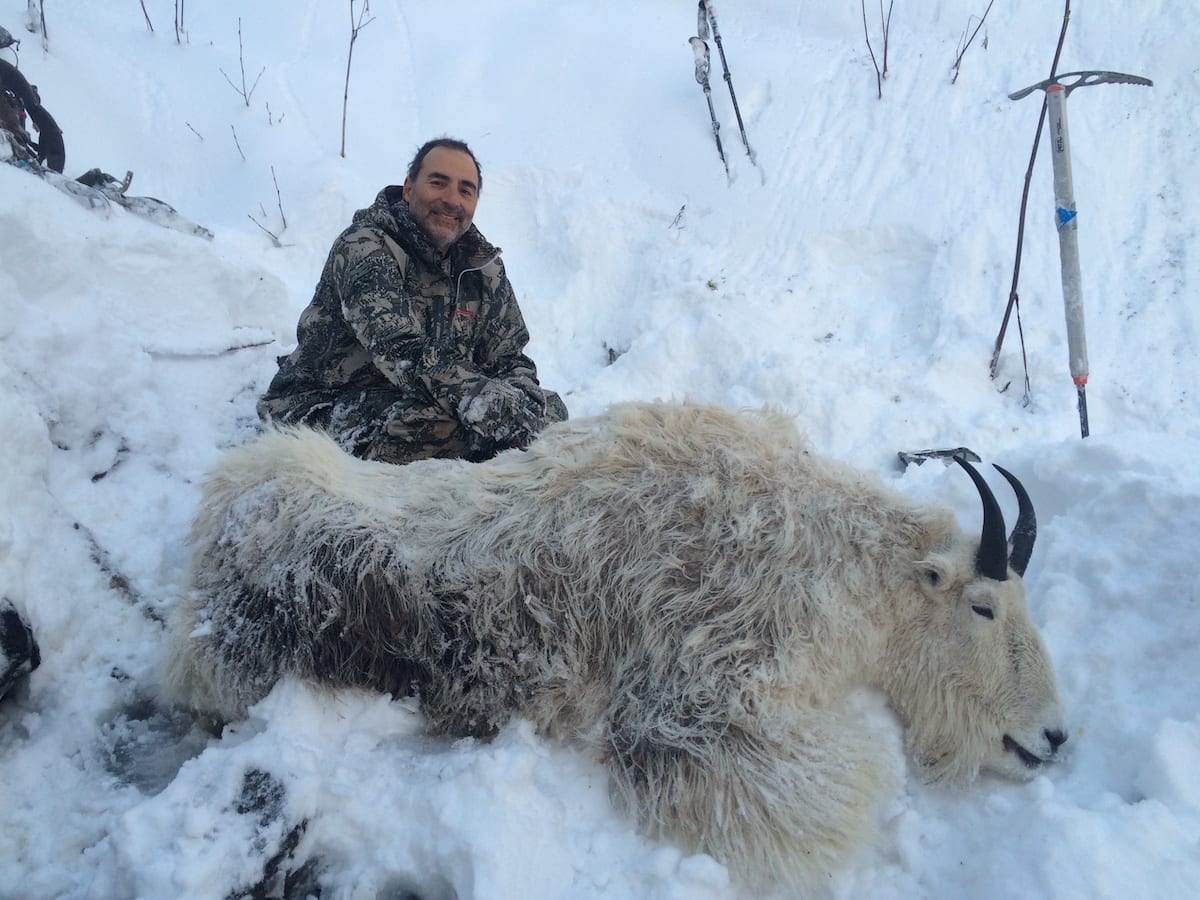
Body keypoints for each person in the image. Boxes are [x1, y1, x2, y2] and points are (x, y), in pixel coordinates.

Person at [258, 137, 567, 464]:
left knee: (552, 412)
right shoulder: (365, 247)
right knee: (436, 427)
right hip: (327, 404)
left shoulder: (484, 269)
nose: (451, 200)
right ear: (408, 189)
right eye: (438, 183)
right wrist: (484, 401)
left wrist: (521, 403)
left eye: (466, 190)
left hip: (431, 396)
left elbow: (510, 357)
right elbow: (401, 349)